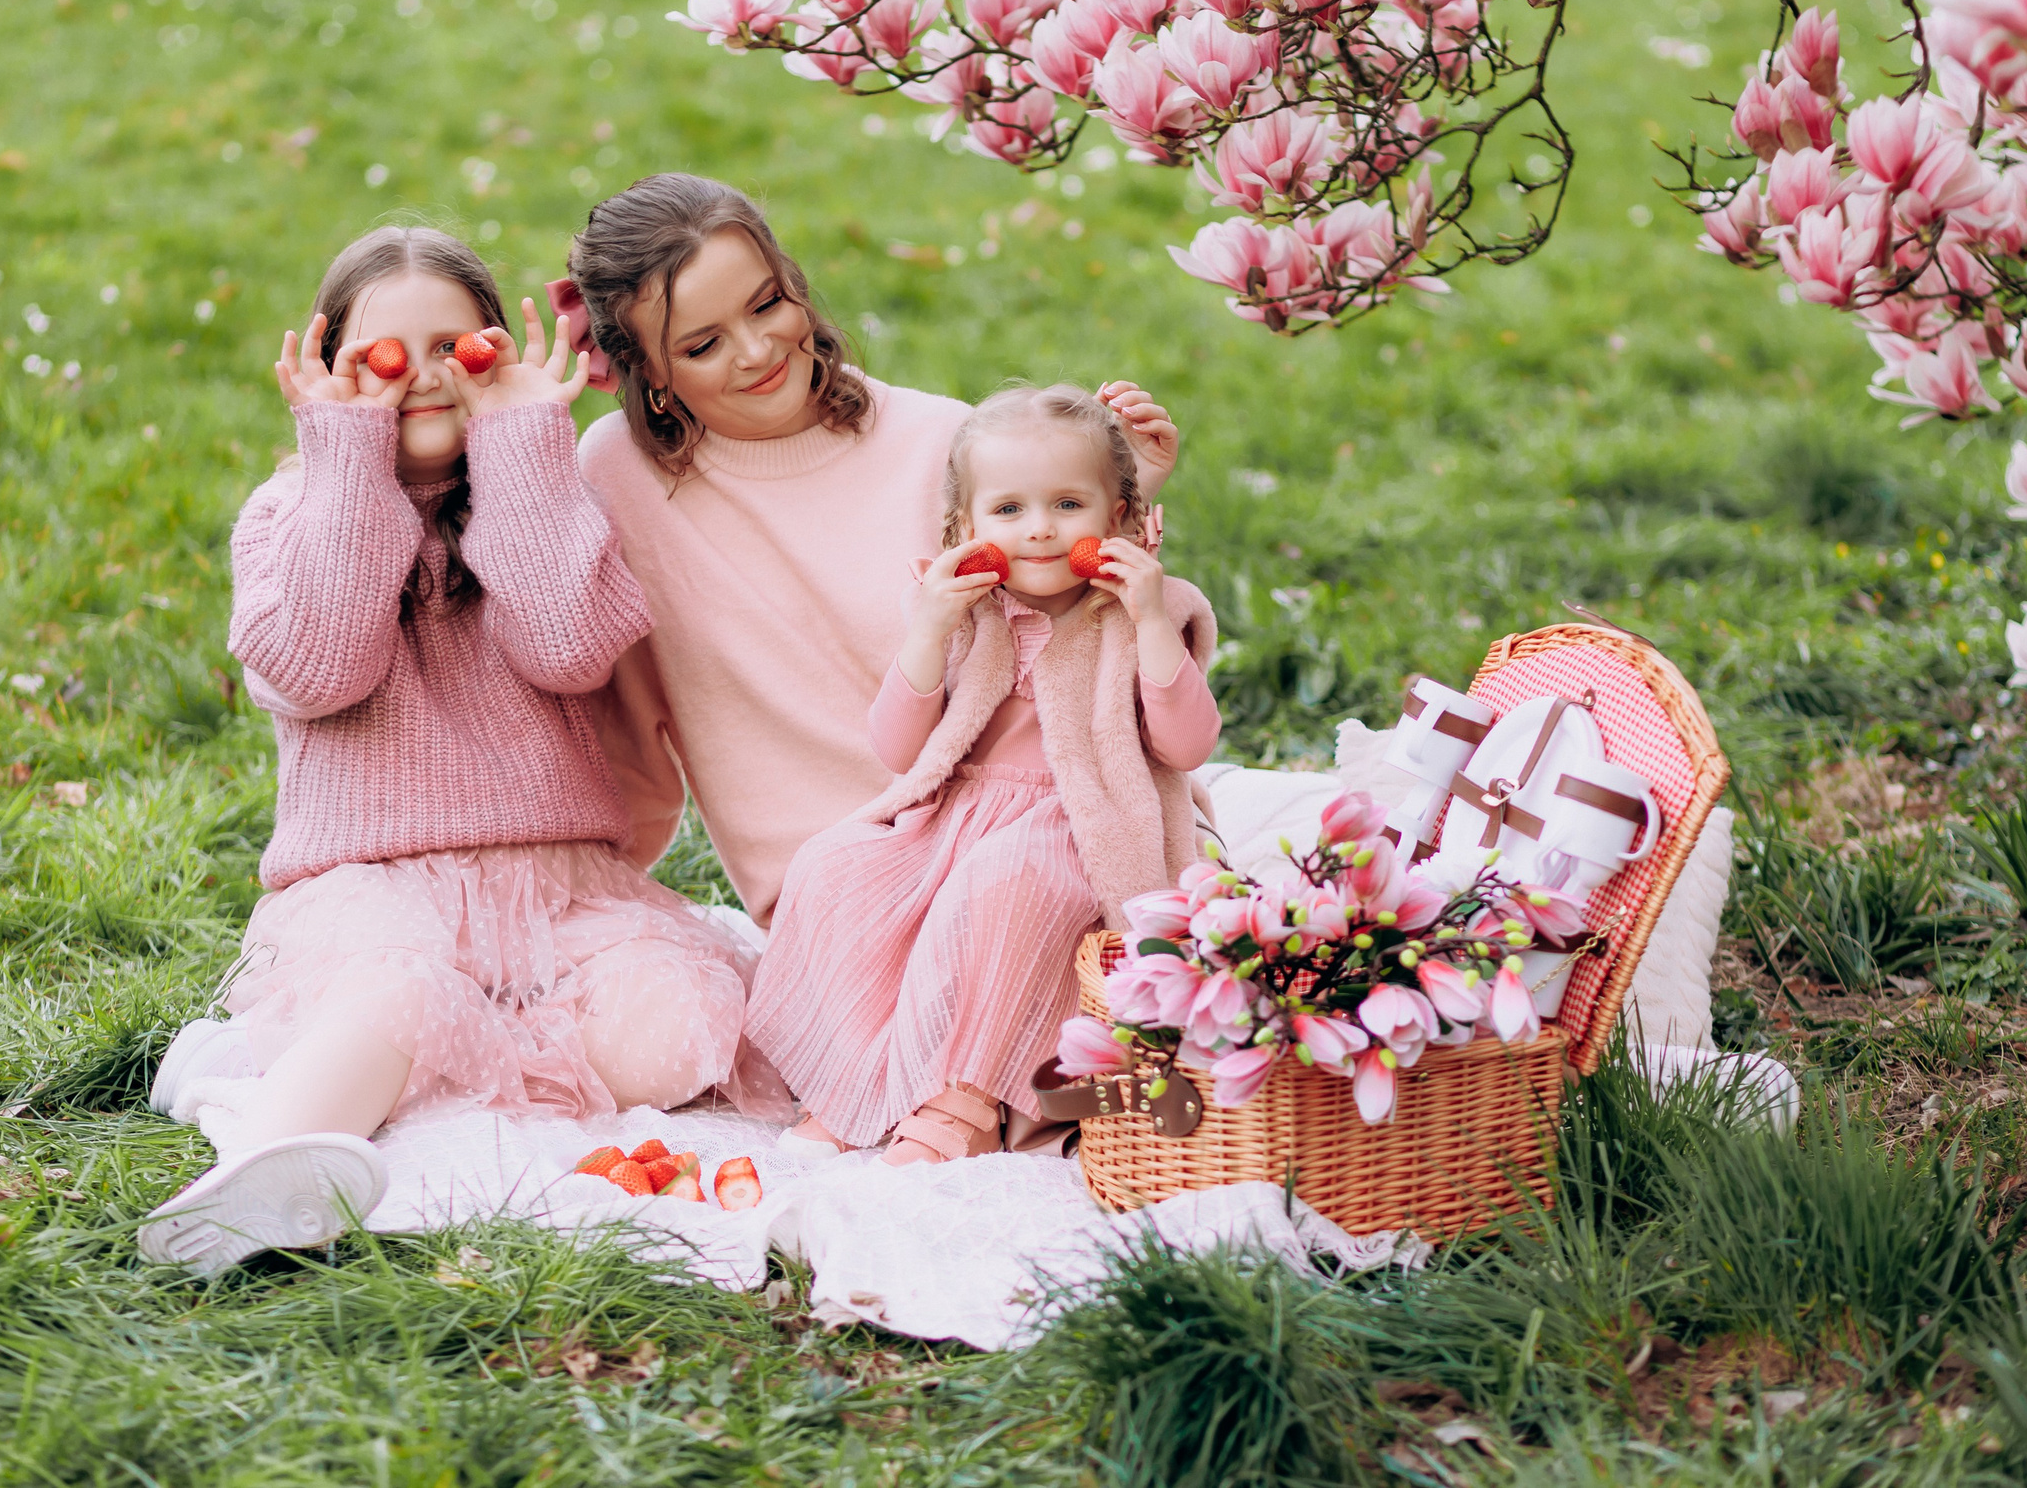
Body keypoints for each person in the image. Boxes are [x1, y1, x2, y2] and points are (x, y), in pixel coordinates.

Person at [139, 226, 775, 1278]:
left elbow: (570, 650)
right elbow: (319, 665)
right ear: (331, 367)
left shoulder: (548, 497)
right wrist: (346, 457)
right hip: (373, 887)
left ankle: (362, 1074)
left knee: (682, 1025)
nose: (426, 374)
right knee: (401, 996)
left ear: (499, 351)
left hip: (557, 888)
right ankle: (261, 1167)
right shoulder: (287, 513)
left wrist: (523, 447)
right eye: (384, 356)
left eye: (457, 345)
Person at [566, 174, 1182, 929]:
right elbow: (620, 730)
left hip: (1016, 846)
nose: (759, 350)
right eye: (701, 345)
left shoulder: (941, 443)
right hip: (833, 888)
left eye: (767, 303)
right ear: (650, 375)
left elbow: (1073, 663)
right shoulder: (619, 478)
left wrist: (1126, 505)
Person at [745, 386, 1220, 1164]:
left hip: (1077, 821)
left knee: (1001, 888)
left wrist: (1151, 622)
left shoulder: (1141, 609)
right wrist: (928, 631)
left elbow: (1187, 745)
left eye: (1068, 504)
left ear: (1121, 520)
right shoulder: (966, 611)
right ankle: (852, 1082)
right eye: (1008, 510)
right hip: (957, 812)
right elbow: (900, 750)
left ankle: (960, 1100)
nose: (1038, 528)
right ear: (965, 528)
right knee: (837, 869)